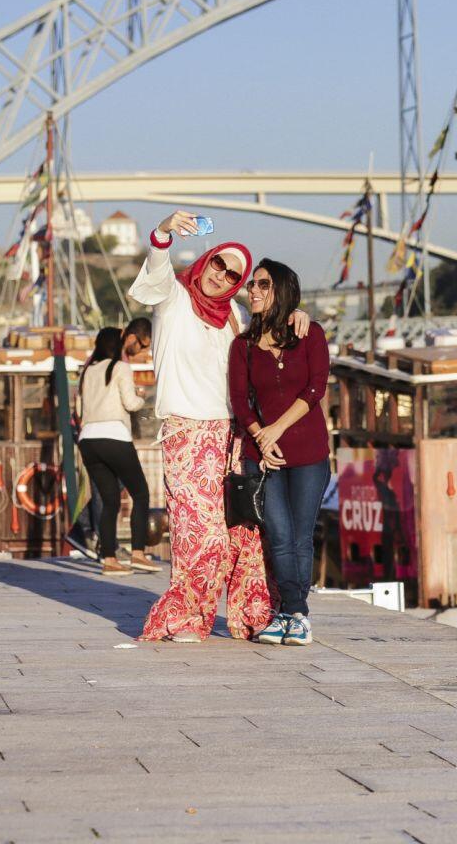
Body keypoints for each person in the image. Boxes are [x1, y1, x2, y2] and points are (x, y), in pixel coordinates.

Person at [133, 211, 307, 643]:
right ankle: (186, 618)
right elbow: (155, 272)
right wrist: (163, 233)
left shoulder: (233, 316)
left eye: (233, 273)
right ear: (206, 260)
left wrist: (298, 315)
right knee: (201, 533)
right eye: (217, 264)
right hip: (187, 433)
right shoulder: (173, 298)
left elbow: (267, 346)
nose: (222, 275)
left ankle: (252, 617)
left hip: (233, 436)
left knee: (243, 532)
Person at [229, 259, 330, 646]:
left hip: (308, 454)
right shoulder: (243, 345)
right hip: (262, 455)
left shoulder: (311, 334)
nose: (252, 291)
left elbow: (315, 389)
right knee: (279, 535)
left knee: (300, 536)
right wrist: (262, 436)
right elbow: (240, 401)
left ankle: (296, 615)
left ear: (282, 290)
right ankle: (289, 611)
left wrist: (276, 430)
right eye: (252, 285)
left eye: (263, 285)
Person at [78, 327, 157, 577]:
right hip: (114, 435)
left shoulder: (88, 370)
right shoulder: (120, 367)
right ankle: (138, 554)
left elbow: (79, 408)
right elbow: (130, 403)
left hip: (88, 439)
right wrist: (142, 397)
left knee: (110, 500)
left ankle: (109, 559)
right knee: (141, 494)